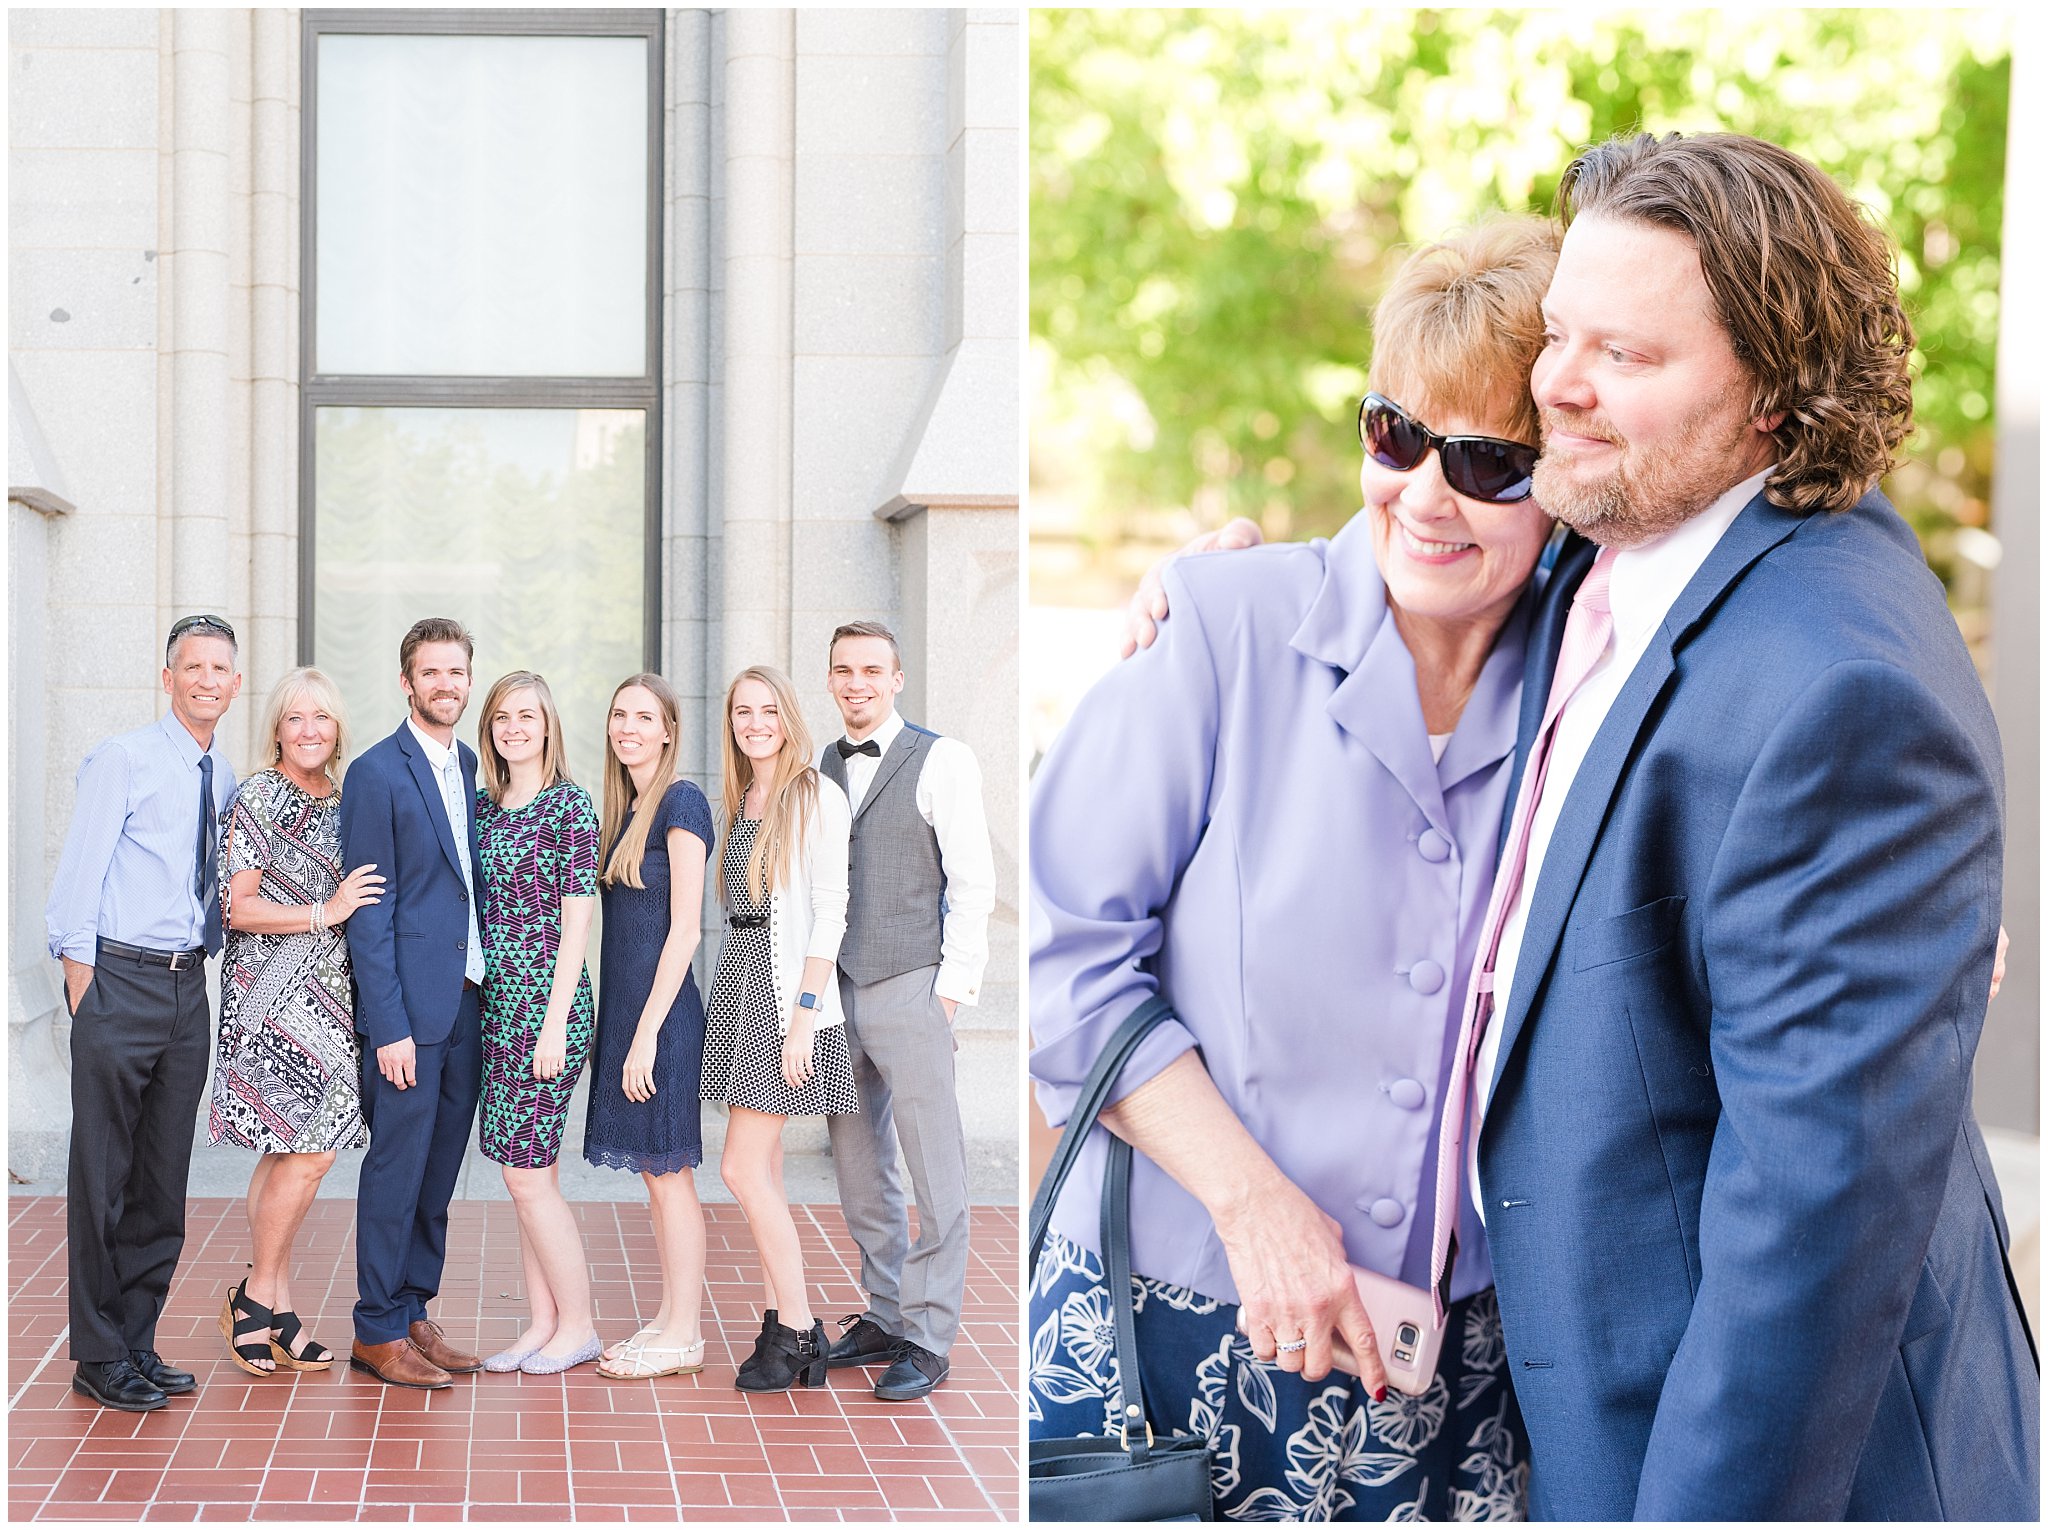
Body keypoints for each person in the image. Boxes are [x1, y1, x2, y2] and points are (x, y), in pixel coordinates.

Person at [1125, 134, 2038, 1519]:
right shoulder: (1636, 544)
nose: (1559, 384)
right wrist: (1229, 600)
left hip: (1719, 1455)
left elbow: (1809, 1257)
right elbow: (1463, 508)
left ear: (1775, 404)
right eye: (1563, 334)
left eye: (1628, 356)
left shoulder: (1837, 695)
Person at [1029, 221, 1558, 1519]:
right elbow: (1069, 964)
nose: (1428, 493)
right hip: (1179, 1333)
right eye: (1397, 434)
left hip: (1459, 1370)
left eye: (1490, 460)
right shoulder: (1220, 624)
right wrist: (1255, 1202)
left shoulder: (1591, 679)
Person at [46, 614, 242, 1412]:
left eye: (219, 669)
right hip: (119, 983)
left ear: (234, 682)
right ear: (169, 679)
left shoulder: (222, 774)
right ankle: (96, 1354)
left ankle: (135, 1340)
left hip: (186, 989)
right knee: (104, 1177)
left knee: (163, 1181)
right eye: (191, 667)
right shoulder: (122, 760)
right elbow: (76, 885)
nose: (206, 680)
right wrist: (84, 990)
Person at [818, 621, 995, 1401]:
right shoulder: (822, 763)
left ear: (896, 679)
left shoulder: (943, 758)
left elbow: (975, 883)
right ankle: (886, 1314)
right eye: (842, 671)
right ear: (830, 681)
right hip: (838, 989)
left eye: (870, 670)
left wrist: (949, 995)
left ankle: (929, 1336)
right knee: (860, 1170)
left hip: (912, 985)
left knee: (935, 1173)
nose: (856, 683)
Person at [210, 667, 382, 1377]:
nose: (309, 729)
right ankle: (256, 1300)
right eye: (294, 718)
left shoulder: (345, 802)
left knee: (290, 1154)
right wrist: (324, 912)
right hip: (269, 998)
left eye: (322, 717)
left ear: (337, 729)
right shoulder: (258, 795)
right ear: (276, 728)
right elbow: (236, 907)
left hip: (329, 998)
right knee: (309, 1155)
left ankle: (273, 1305)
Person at [338, 617, 489, 1390]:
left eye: (456, 672)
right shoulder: (375, 772)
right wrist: (387, 1024)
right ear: (407, 682)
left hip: (469, 1000)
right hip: (408, 1017)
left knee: (439, 1171)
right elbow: (369, 910)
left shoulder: (472, 765)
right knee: (397, 1167)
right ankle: (374, 1329)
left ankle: (412, 1307)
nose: (445, 685)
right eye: (431, 673)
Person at [703, 665, 858, 1392]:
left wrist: (801, 1020)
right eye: (743, 711)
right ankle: (778, 1321)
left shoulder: (814, 795)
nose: (755, 722)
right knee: (761, 1169)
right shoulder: (746, 796)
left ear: (789, 717)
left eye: (768, 710)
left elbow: (831, 912)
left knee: (739, 1167)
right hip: (740, 981)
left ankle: (799, 1328)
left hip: (781, 998)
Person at [579, 672, 717, 1381]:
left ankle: (686, 1333)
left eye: (643, 717)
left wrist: (644, 1034)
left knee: (671, 1176)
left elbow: (687, 929)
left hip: (662, 1021)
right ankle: (668, 1319)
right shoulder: (626, 807)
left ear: (668, 730)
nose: (627, 727)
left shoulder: (683, 801)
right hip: (629, 1017)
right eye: (618, 714)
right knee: (655, 1179)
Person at [471, 671, 603, 1374]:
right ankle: (542, 1322)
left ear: (548, 725)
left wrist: (553, 1025)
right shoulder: (488, 809)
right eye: (502, 717)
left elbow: (578, 924)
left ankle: (578, 1325)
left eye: (527, 715)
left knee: (527, 1177)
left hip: (548, 1009)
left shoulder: (569, 808)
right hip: (499, 1007)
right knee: (529, 1173)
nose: (514, 727)